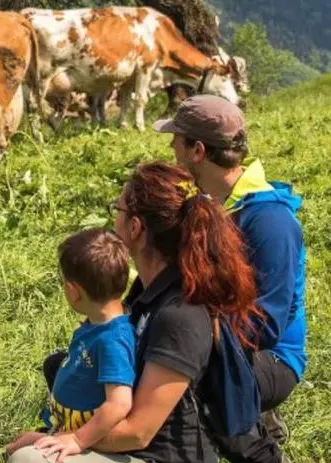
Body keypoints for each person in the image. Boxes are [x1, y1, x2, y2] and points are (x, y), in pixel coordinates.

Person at [9, 162, 263, 463]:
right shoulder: (147, 289)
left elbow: (138, 432)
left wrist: (58, 438)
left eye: (118, 209)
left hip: (158, 456)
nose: (112, 219)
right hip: (134, 446)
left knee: (29, 459)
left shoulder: (179, 314)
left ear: (135, 228)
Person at [154, 95, 306, 462]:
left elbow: (265, 325)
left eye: (176, 138)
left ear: (198, 150)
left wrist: (191, 345)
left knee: (177, 382)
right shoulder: (204, 203)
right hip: (216, 342)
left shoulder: (269, 221)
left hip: (272, 359)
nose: (171, 147)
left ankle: (257, 445)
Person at [6, 228, 136, 462]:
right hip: (66, 430)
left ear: (73, 291)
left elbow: (119, 403)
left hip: (89, 442)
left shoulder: (112, 340)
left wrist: (78, 440)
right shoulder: (98, 326)